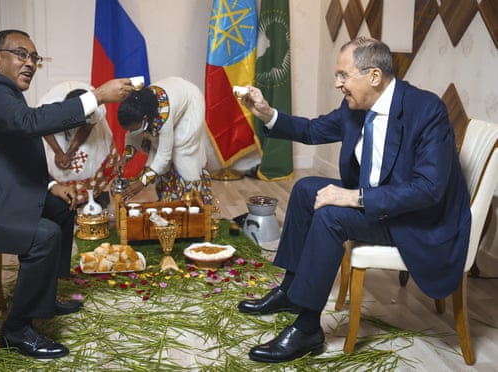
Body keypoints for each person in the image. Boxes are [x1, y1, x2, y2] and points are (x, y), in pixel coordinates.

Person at [236, 37, 471, 363]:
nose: (337, 84)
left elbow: (428, 189)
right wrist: (266, 112)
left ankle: (307, 329)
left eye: (343, 75)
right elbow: (312, 130)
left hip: (416, 219)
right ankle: (291, 291)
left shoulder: (426, 109)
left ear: (374, 76)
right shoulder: (356, 107)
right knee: (306, 189)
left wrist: (354, 196)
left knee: (331, 215)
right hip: (380, 203)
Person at [0, 29, 134, 359]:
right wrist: (97, 96)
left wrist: (50, 185)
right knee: (42, 236)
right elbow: (29, 122)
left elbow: (11, 152)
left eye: (34, 57)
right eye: (21, 54)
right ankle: (16, 330)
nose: (29, 63)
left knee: (61, 206)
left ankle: (45, 295)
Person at [117, 77, 212, 204]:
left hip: (191, 104)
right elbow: (134, 135)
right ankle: (168, 201)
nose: (131, 132)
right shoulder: (140, 108)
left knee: (182, 151)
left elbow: (164, 155)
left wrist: (142, 183)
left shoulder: (162, 117)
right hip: (176, 100)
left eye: (132, 128)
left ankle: (193, 204)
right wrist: (125, 158)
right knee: (157, 147)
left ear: (145, 118)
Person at [41, 83, 120, 208]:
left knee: (91, 155)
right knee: (60, 166)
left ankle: (96, 195)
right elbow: (44, 129)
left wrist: (71, 152)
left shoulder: (96, 108)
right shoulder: (49, 108)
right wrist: (59, 153)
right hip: (53, 125)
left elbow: (85, 129)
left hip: (86, 126)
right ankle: (65, 198)